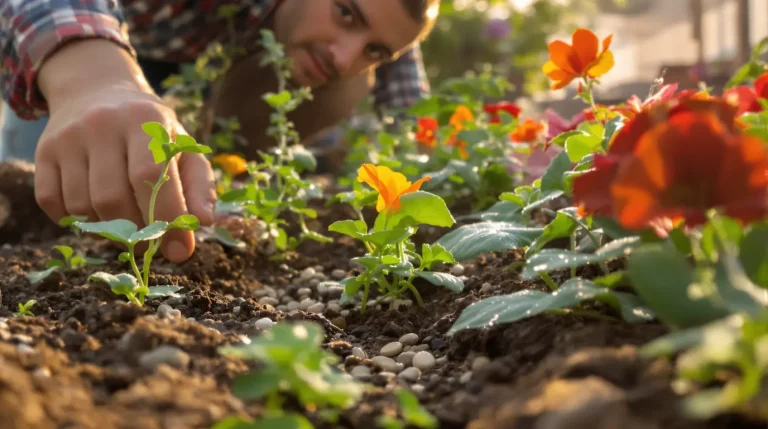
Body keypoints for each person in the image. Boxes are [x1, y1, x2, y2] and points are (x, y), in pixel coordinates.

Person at [0, 0, 439, 262]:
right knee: (41, 193)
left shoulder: (384, 24)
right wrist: (90, 77)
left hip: (208, 72)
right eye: (345, 13)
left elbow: (411, 107)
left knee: (345, 87)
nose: (345, 58)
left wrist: (439, 165)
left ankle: (211, 189)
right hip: (109, 36)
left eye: (374, 49)